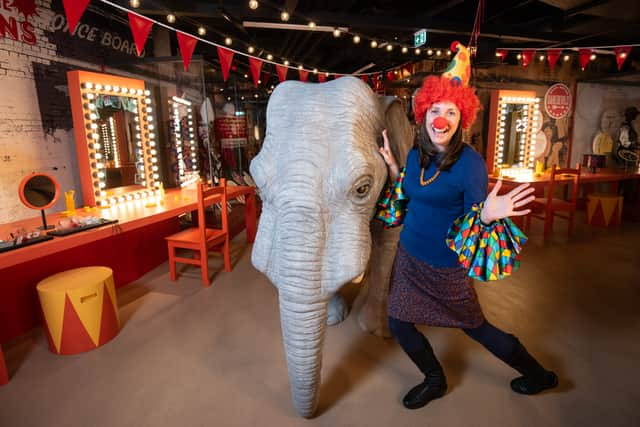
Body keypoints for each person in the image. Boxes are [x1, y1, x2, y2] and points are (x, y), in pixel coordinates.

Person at [377, 42, 558, 410]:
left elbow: (475, 223)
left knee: (477, 328)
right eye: (435, 110)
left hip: (446, 269)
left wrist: (488, 214)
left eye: (451, 112)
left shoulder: (470, 164)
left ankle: (538, 374)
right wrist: (394, 166)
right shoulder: (416, 153)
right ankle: (434, 379)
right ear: (424, 112)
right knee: (398, 323)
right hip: (410, 258)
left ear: (461, 120)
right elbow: (409, 193)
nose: (441, 119)